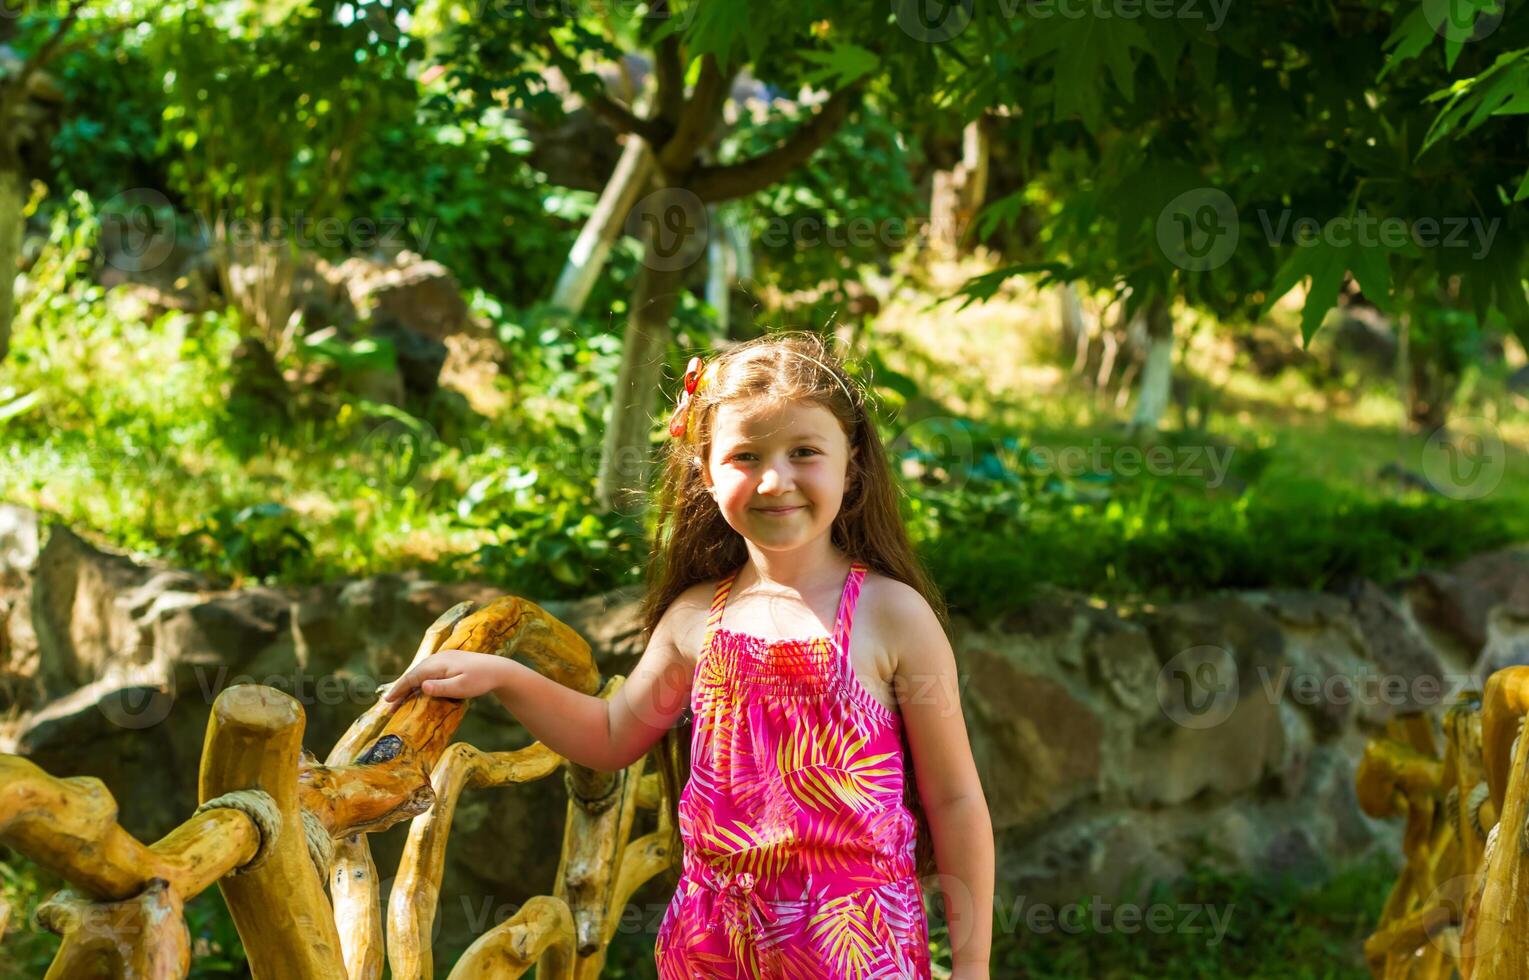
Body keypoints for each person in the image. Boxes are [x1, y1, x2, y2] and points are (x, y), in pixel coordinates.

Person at [382, 332, 994, 979]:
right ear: (705, 470)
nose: (774, 479)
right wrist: (503, 675)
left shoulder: (892, 616)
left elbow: (954, 800)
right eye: (745, 456)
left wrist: (973, 967)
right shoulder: (696, 617)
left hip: (855, 950)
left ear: (853, 463)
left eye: (804, 452)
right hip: (710, 952)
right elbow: (613, 733)